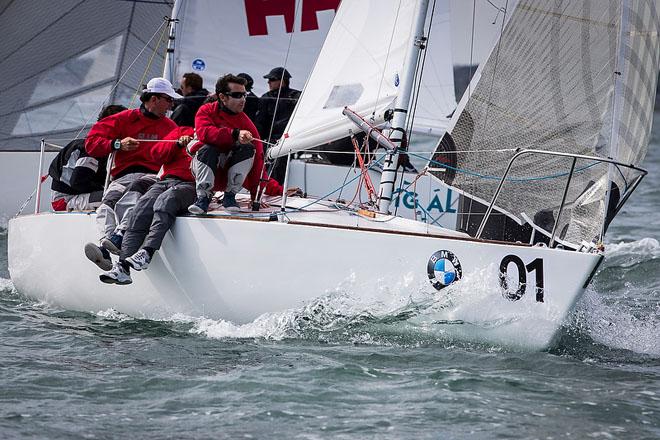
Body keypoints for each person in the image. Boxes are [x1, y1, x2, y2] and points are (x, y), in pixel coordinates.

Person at [83, 77, 179, 271]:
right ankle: (107, 245)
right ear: (153, 99)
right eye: (168, 100)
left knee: (134, 196)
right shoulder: (123, 118)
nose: (171, 105)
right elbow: (91, 143)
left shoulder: (171, 127)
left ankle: (116, 239)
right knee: (107, 204)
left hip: (153, 177)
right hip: (123, 176)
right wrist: (117, 144)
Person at [99, 126, 196, 284]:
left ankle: (147, 251)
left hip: (193, 186)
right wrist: (177, 144)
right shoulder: (182, 131)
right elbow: (156, 154)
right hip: (166, 180)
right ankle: (122, 267)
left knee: (165, 201)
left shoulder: (220, 138)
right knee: (140, 209)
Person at [187, 73, 287, 215]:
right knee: (208, 148)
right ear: (222, 97)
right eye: (237, 95)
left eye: (244, 95)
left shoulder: (246, 122)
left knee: (248, 148)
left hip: (226, 178)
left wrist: (256, 196)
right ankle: (203, 197)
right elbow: (205, 133)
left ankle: (230, 196)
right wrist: (235, 134)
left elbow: (258, 160)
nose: (243, 99)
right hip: (202, 172)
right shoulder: (206, 111)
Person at [49, 105, 126, 212]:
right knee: (119, 197)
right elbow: (78, 181)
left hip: (81, 195)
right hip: (66, 200)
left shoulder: (105, 148)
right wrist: (106, 188)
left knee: (126, 194)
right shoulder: (92, 149)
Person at [254, 67, 301, 183]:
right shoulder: (265, 98)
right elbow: (259, 123)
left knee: (279, 159)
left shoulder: (295, 96)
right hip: (269, 141)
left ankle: (274, 190)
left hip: (289, 141)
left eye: (272, 79)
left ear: (282, 81)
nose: (268, 82)